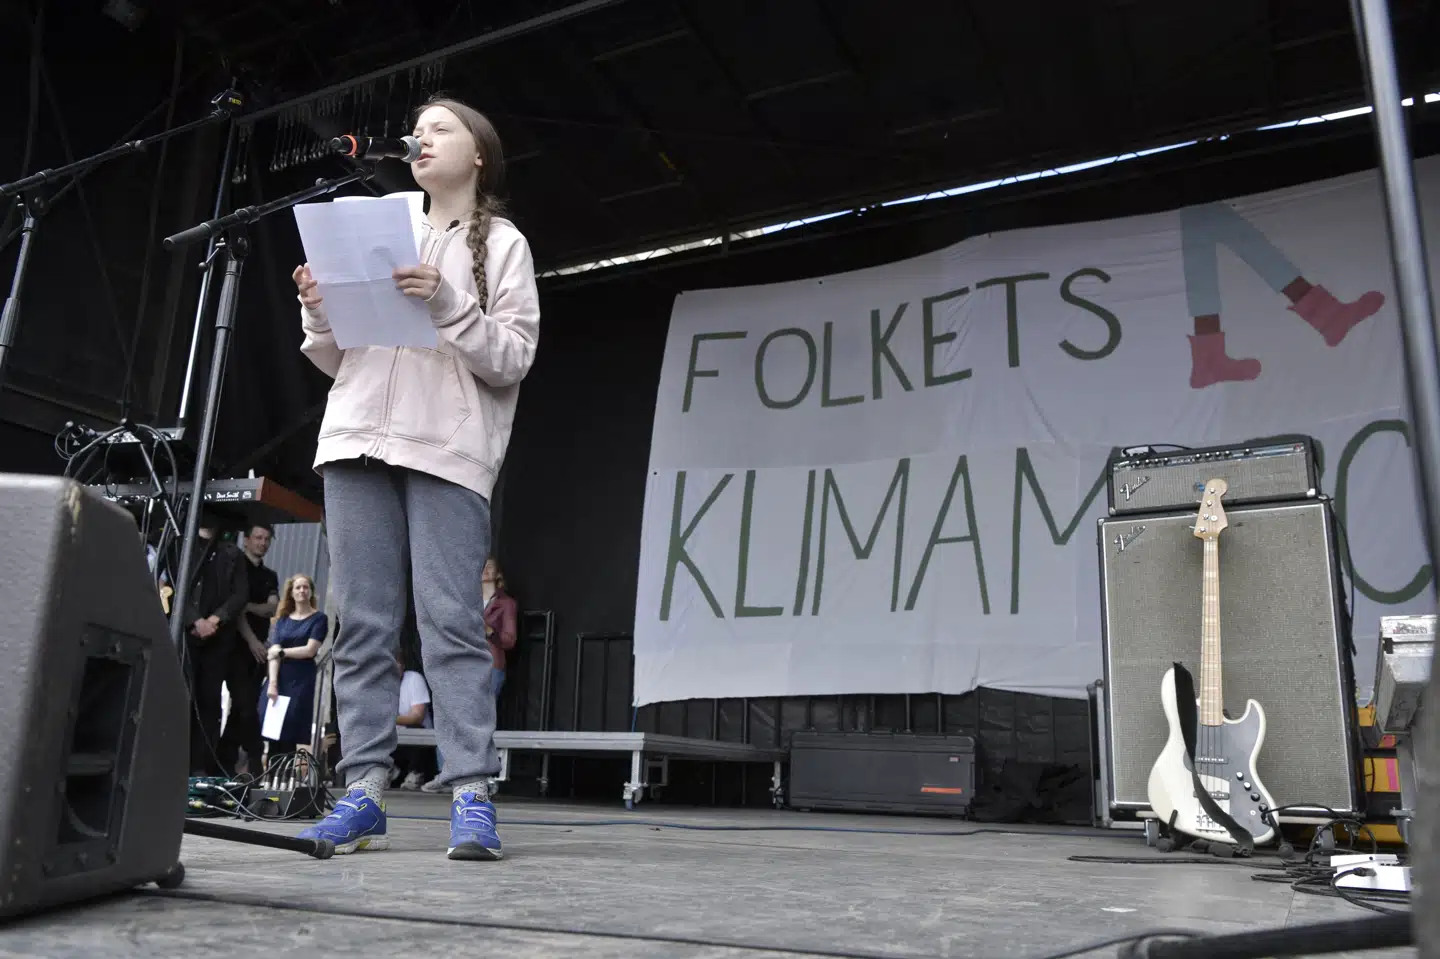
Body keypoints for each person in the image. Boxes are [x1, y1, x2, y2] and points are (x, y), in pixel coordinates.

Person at [291, 94, 540, 861]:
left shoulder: (501, 242)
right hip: (357, 436)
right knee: (361, 623)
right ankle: (362, 790)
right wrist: (320, 312)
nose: (422, 138)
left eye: (442, 128)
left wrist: (447, 301)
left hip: (446, 450)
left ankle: (471, 792)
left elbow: (512, 356)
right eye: (419, 130)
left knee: (450, 622)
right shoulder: (385, 214)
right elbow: (337, 357)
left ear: (479, 154)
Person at [420, 557, 518, 793]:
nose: (485, 569)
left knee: (477, 718)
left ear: (498, 574)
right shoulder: (466, 599)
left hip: (490, 666)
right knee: (448, 713)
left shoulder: (506, 604)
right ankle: (446, 774)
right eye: (482, 565)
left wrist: (489, 631)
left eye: (491, 566)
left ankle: (478, 777)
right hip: (460, 664)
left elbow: (509, 640)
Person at [180, 512, 249, 776]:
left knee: (210, 703)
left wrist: (215, 620)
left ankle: (201, 766)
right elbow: (169, 585)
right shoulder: (180, 545)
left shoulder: (232, 553)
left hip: (218, 640)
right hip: (187, 636)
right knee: (181, 696)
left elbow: (240, 593)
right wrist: (194, 620)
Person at [220, 522, 278, 777]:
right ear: (246, 540)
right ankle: (255, 757)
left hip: (256, 652)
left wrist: (249, 607)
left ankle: (223, 762)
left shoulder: (269, 575)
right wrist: (253, 639)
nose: (262, 543)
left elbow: (272, 608)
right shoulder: (236, 567)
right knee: (244, 704)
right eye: (258, 537)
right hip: (235, 646)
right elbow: (235, 610)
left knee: (242, 709)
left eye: (266, 539)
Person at [261, 574, 327, 760]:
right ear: (291, 592)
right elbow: (273, 652)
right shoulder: (282, 620)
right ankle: (272, 778)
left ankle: (286, 775)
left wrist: (282, 653)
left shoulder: (319, 619)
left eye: (305, 587)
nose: (302, 591)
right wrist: (272, 683)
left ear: (311, 591)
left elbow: (310, 650)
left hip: (301, 677)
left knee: (291, 725)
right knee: (274, 730)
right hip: (280, 677)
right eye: (298, 587)